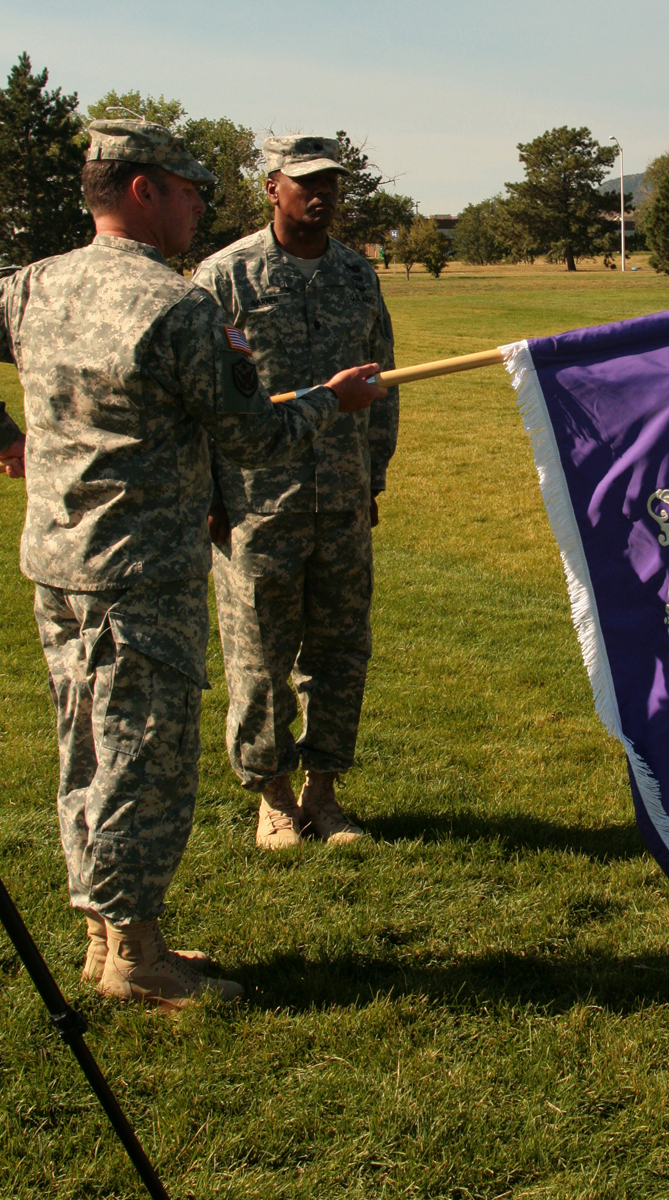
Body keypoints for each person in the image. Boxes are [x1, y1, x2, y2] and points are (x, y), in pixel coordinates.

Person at [0, 120, 385, 1009]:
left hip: (58, 567)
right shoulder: (175, 306)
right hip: (139, 575)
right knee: (141, 760)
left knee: (84, 753)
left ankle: (106, 939)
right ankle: (137, 957)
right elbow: (256, 436)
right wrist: (332, 401)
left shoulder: (34, 284)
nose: (199, 204)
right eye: (187, 187)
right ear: (142, 190)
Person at [193, 136, 398, 850]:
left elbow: (383, 382)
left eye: (332, 185)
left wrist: (371, 474)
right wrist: (211, 495)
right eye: (305, 183)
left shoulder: (355, 275)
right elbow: (205, 398)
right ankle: (273, 796)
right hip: (256, 502)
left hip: (340, 497)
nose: (321, 196)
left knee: (341, 649)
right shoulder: (226, 276)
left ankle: (325, 792)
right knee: (259, 655)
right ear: (271, 188)